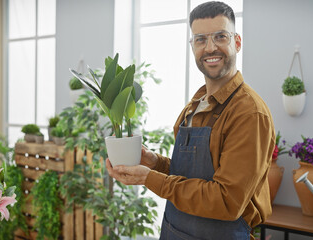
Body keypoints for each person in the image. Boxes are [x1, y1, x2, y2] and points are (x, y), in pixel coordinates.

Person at [106, 1, 275, 239]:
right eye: (200, 39)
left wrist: (149, 178)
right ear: (192, 46)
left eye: (220, 37)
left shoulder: (249, 113)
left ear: (237, 42)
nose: (210, 48)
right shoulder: (194, 105)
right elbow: (189, 176)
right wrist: (155, 163)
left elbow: (227, 201)